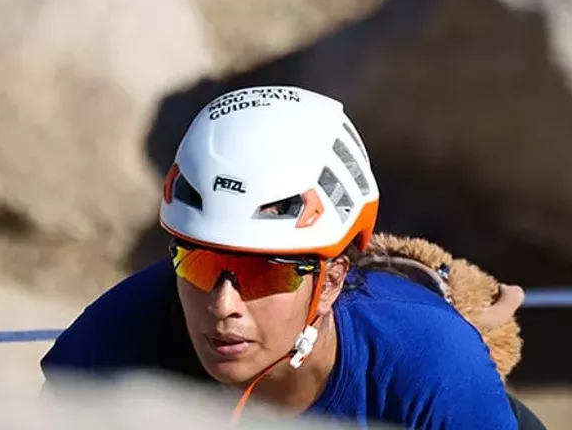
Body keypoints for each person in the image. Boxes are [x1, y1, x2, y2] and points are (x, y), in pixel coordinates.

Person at [40, 85, 544, 430]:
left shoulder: (431, 363)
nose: (223, 305)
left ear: (329, 282)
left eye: (265, 273)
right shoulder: (112, 343)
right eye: (199, 263)